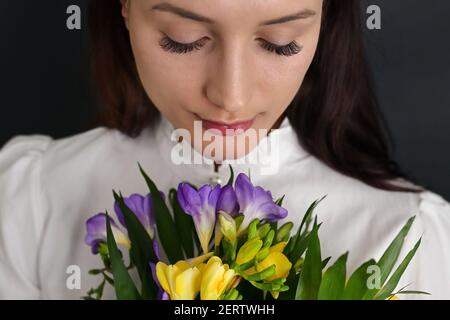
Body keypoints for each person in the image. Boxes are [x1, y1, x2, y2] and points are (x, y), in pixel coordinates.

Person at [0, 0, 449, 300]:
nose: (231, 96)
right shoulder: (36, 197)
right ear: (124, 8)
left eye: (280, 43)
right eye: (183, 38)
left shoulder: (408, 235)